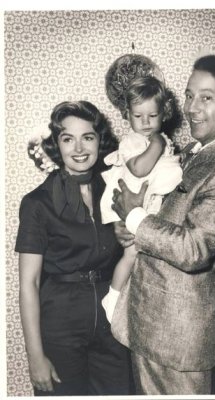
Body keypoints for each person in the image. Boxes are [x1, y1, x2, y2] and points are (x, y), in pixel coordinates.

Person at [110, 55, 215, 395]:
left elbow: (194, 249)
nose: (192, 107)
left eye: (206, 97)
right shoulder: (202, 151)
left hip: (178, 337)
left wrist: (136, 217)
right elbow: (170, 219)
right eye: (190, 95)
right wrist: (135, 227)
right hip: (153, 324)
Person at [15, 101, 133, 396]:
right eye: (68, 138)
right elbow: (29, 283)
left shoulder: (116, 191)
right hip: (60, 323)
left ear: (99, 140)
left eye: (88, 137)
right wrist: (35, 357)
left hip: (111, 319)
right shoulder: (37, 204)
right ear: (57, 145)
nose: (79, 148)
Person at [100, 76, 182, 323]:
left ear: (164, 113)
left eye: (152, 116)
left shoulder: (164, 140)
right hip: (133, 207)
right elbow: (138, 169)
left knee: (147, 259)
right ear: (127, 114)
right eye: (138, 116)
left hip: (149, 210)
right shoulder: (132, 141)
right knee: (131, 256)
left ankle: (132, 302)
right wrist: (156, 143)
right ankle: (112, 298)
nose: (146, 123)